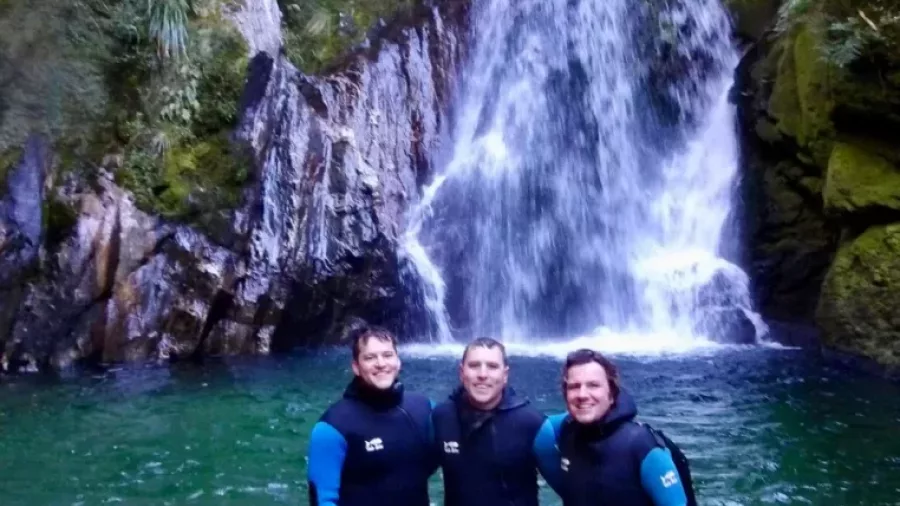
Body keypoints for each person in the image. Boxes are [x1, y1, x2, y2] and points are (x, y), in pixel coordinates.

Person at [306, 325, 435, 506]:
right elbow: (322, 499)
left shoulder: (424, 409)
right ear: (356, 367)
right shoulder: (333, 426)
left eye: (387, 355)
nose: (381, 363)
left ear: (398, 361)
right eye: (370, 357)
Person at [545, 348, 690, 506]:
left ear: (612, 394)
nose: (582, 394)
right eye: (574, 386)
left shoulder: (641, 445)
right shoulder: (566, 431)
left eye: (593, 385)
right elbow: (534, 426)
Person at [432, 337, 562, 506]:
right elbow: (410, 470)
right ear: (461, 372)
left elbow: (572, 490)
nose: (482, 374)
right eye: (474, 365)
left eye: (492, 366)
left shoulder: (531, 424)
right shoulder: (441, 417)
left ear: (505, 374)